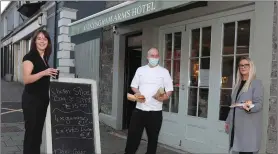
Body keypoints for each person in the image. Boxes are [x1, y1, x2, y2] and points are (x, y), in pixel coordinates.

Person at [124, 47, 174, 154]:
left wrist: (164, 96)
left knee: (153, 140)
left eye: (156, 56)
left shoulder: (164, 72)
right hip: (139, 110)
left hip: (155, 112)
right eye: (152, 55)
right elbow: (133, 86)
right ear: (147, 57)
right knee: (133, 138)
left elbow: (169, 90)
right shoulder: (140, 70)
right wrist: (138, 93)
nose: (154, 58)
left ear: (159, 57)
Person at [21, 29, 58, 154]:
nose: (42, 41)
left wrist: (50, 75)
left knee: (37, 135)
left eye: (45, 39)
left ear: (48, 42)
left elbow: (41, 79)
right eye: (39, 38)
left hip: (41, 102)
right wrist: (44, 72)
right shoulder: (29, 57)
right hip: (32, 101)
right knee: (31, 135)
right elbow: (26, 79)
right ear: (35, 41)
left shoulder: (44, 58)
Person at [225, 57, 264, 154]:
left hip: (248, 129)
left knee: (246, 151)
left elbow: (259, 104)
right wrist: (228, 121)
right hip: (236, 127)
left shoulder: (256, 83)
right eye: (241, 65)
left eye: (246, 65)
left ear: (251, 67)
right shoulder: (237, 84)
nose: (243, 67)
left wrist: (249, 107)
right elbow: (233, 106)